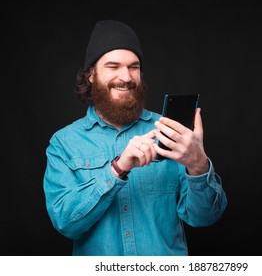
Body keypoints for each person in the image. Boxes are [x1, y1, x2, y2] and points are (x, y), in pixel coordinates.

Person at [43, 19, 228, 256]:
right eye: (113, 66)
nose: (126, 76)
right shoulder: (64, 143)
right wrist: (118, 168)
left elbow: (204, 218)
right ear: (91, 75)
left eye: (134, 66)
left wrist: (198, 165)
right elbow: (66, 223)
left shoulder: (170, 131)